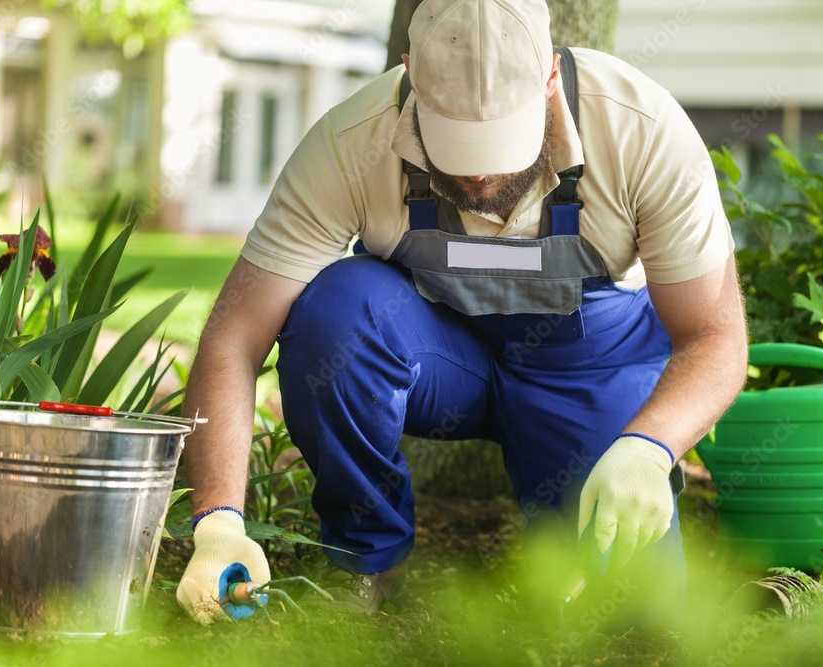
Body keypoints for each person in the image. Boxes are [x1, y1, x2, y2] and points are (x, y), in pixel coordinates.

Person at [177, 0, 747, 626]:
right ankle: (367, 565)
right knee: (335, 314)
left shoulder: (640, 129)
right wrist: (218, 524)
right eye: (454, 140)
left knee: (628, 620)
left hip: (588, 364)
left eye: (501, 140)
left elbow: (714, 336)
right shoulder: (349, 142)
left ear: (550, 79)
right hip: (435, 347)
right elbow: (234, 337)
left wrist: (649, 447)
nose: (478, 173)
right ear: (410, 77)